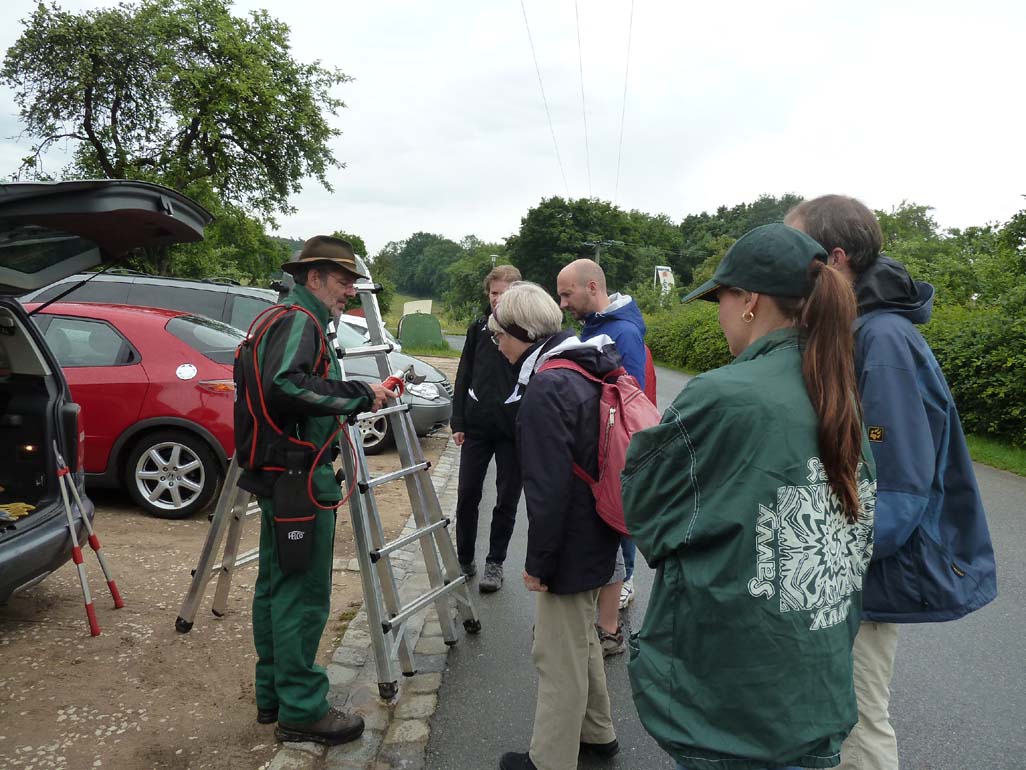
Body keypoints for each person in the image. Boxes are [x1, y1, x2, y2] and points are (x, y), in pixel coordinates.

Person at [622, 223, 878, 770]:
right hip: (814, 688)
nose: (717, 313)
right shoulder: (835, 388)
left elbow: (647, 511)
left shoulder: (724, 395)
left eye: (721, 297)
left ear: (750, 301)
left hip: (737, 702)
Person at [784, 196, 998, 770]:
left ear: (834, 258)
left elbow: (898, 492)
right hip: (852, 571)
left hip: (862, 577)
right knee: (836, 720)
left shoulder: (881, 339)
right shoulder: (856, 329)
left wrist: (826, 568)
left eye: (796, 254)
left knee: (855, 724)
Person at [235, 235, 395, 746]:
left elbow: (283, 386)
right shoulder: (299, 322)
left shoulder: (276, 317)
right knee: (302, 595)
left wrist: (353, 397)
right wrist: (360, 394)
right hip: (299, 475)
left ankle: (273, 697)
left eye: (351, 280)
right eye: (343, 279)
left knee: (277, 586)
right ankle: (302, 709)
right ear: (313, 277)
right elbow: (286, 386)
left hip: (280, 471)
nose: (350, 289)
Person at [490, 282, 621, 770]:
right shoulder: (585, 364)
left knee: (554, 655)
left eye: (498, 332)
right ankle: (598, 732)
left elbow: (547, 489)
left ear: (521, 332)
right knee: (581, 639)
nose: (496, 342)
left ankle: (549, 761)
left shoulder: (547, 384)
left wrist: (538, 563)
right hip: (599, 528)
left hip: (569, 539)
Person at [556, 258, 646, 656]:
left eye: (567, 293)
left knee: (616, 515)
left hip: (615, 446)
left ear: (592, 287)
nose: (562, 304)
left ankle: (623, 583)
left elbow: (632, 395)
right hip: (597, 444)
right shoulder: (594, 327)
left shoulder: (623, 333)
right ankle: (614, 585)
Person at [451, 265, 523, 592]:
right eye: (494, 293)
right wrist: (458, 421)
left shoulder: (527, 332)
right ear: (488, 294)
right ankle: (464, 557)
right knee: (467, 495)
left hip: (513, 431)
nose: (498, 299)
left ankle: (495, 563)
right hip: (477, 428)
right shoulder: (477, 329)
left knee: (506, 500)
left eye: (505, 294)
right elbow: (463, 374)